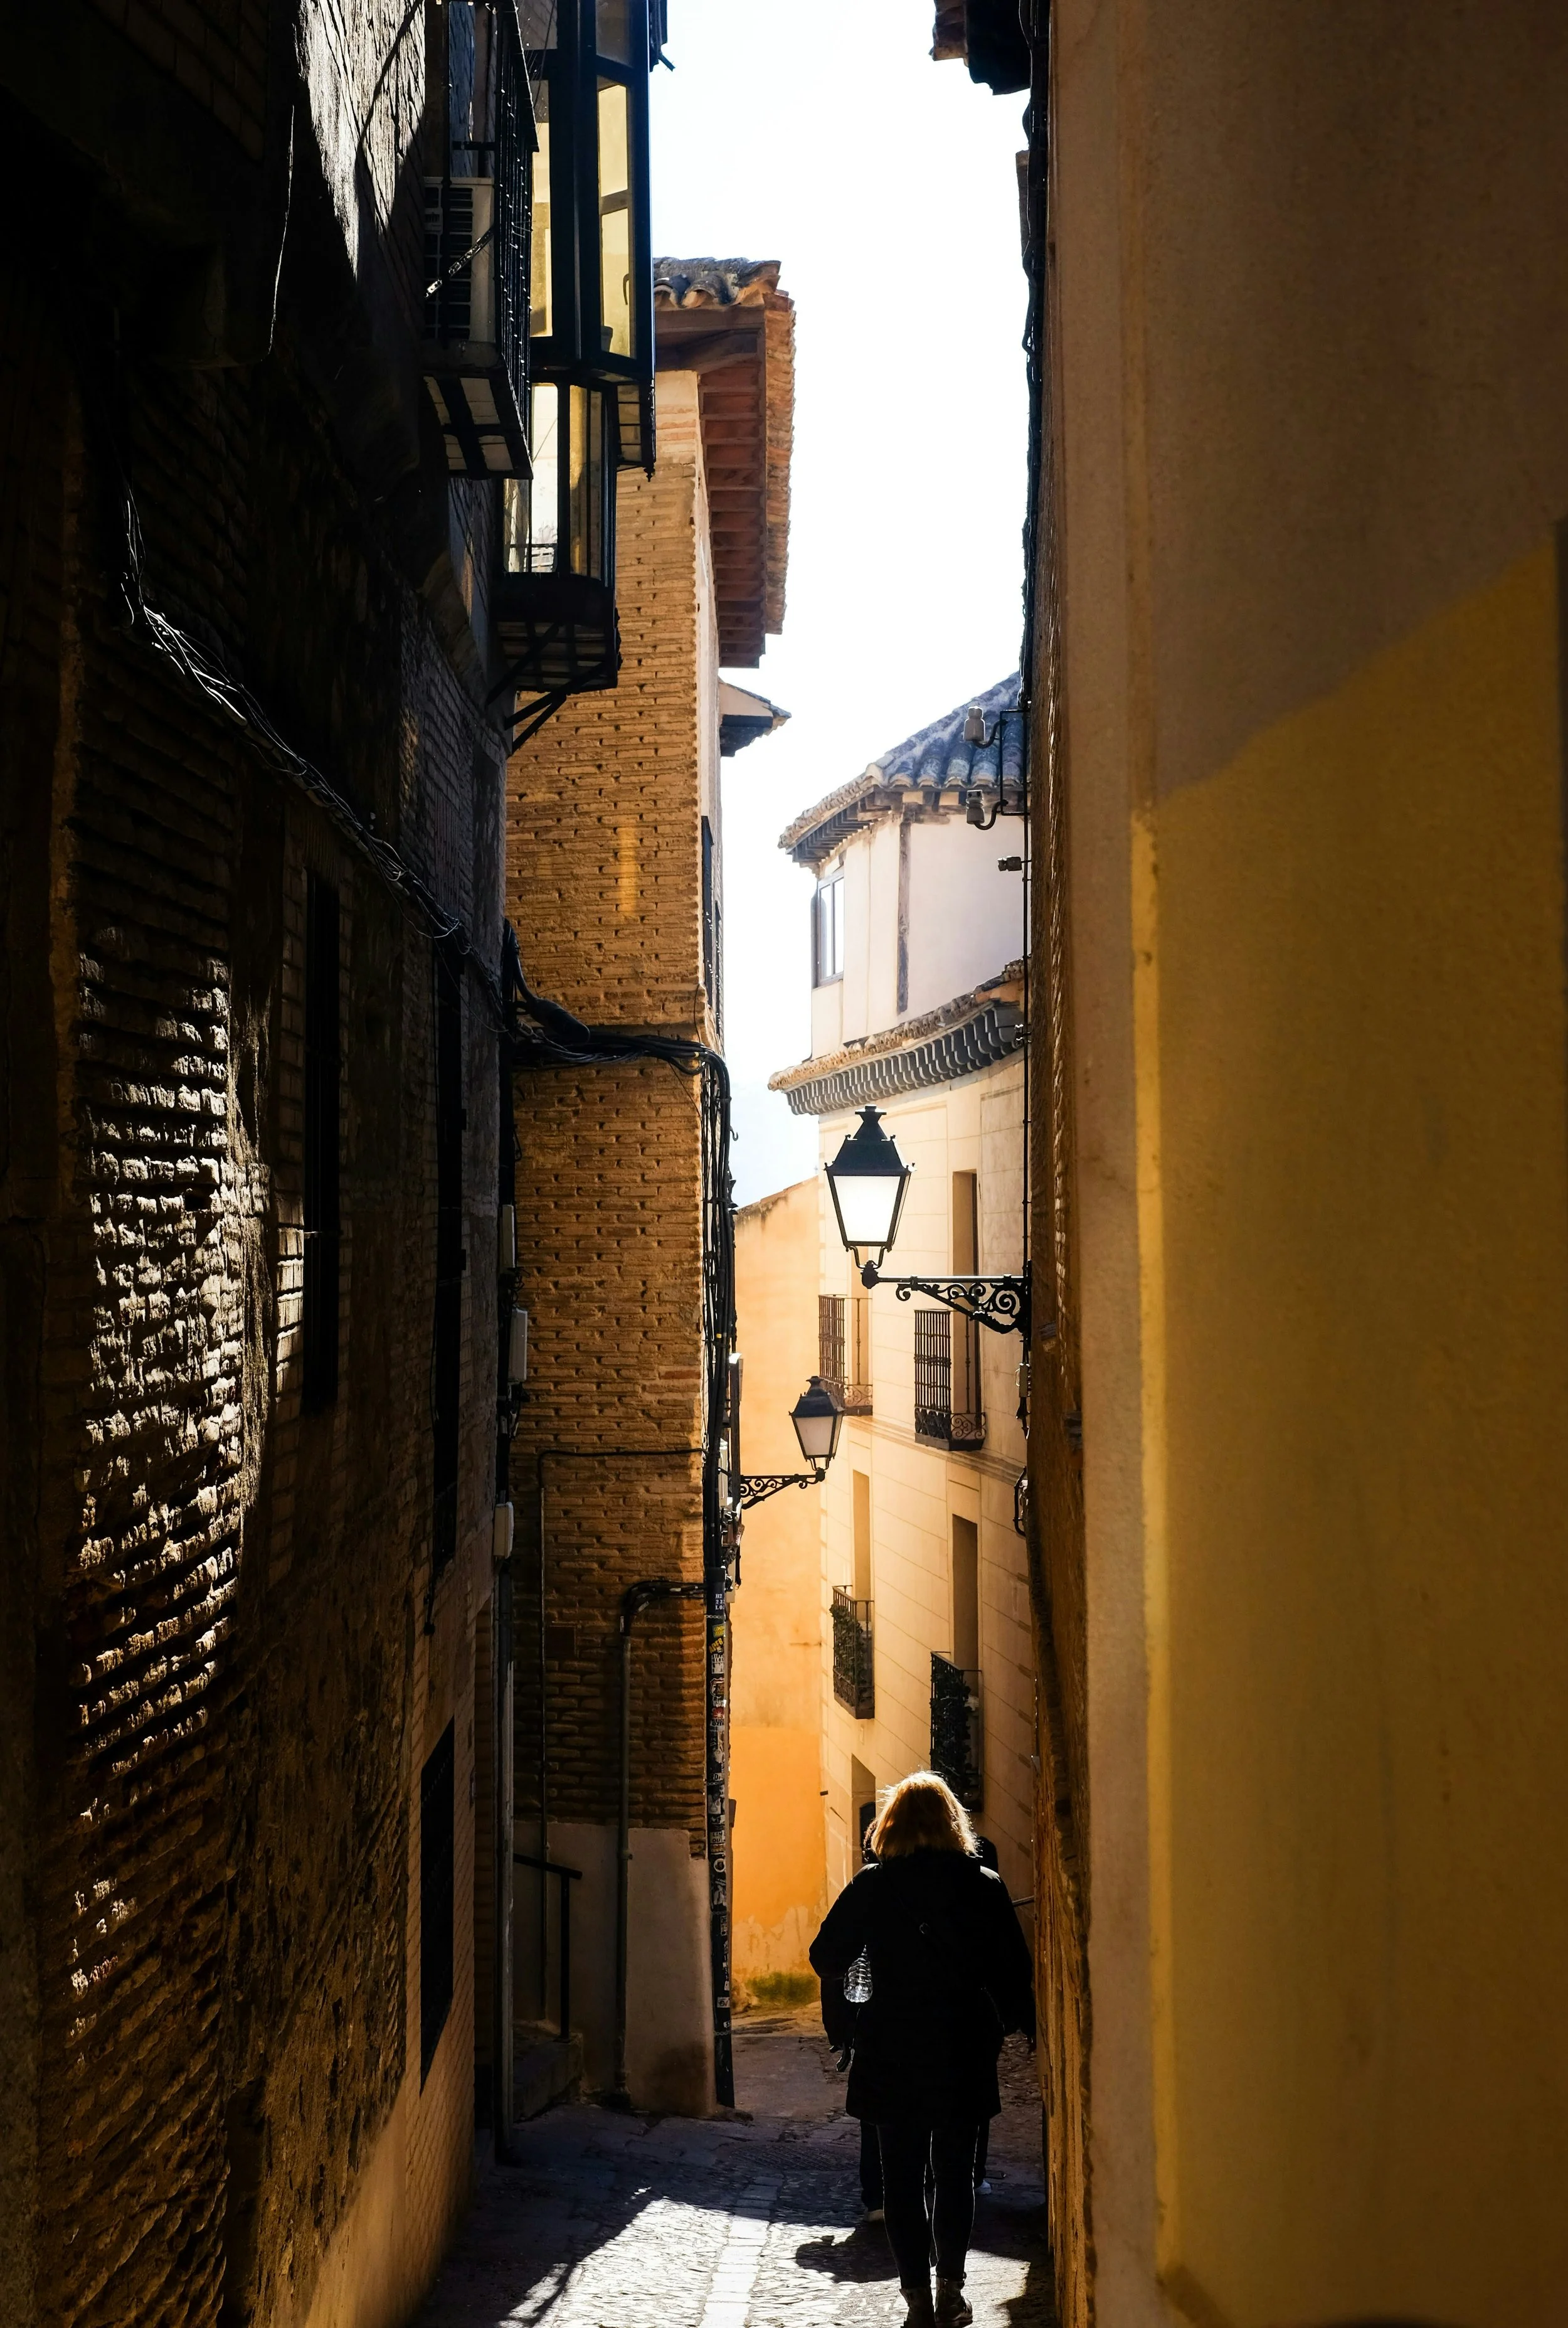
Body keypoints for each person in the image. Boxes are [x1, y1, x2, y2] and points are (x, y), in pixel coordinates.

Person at [810, 1773, 1034, 2328]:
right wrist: (1011, 2021)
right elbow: (1015, 1969)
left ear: (890, 1826)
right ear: (954, 1823)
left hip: (891, 2045)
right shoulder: (984, 1884)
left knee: (902, 2179)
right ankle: (951, 2291)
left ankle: (916, 2300)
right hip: (962, 2044)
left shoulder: (873, 1885)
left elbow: (825, 1956)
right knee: (956, 2173)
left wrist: (870, 1959)